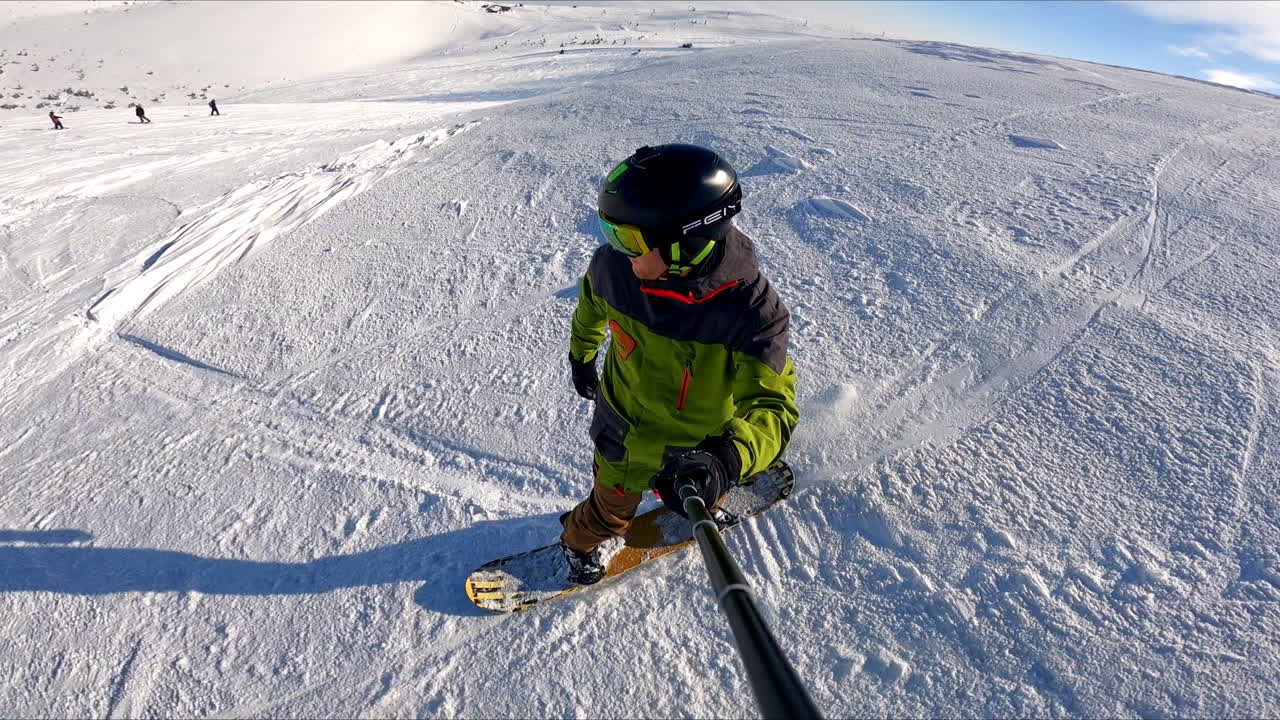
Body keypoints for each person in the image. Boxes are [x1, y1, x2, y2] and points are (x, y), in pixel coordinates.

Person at [559, 144, 799, 585]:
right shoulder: (614, 270)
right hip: (623, 430)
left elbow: (773, 409)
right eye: (610, 233)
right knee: (610, 511)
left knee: (705, 488)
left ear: (684, 243)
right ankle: (578, 542)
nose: (617, 251)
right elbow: (590, 308)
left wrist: (727, 458)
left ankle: (710, 491)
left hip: (700, 442)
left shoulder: (753, 316)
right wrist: (582, 355)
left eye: (628, 240)